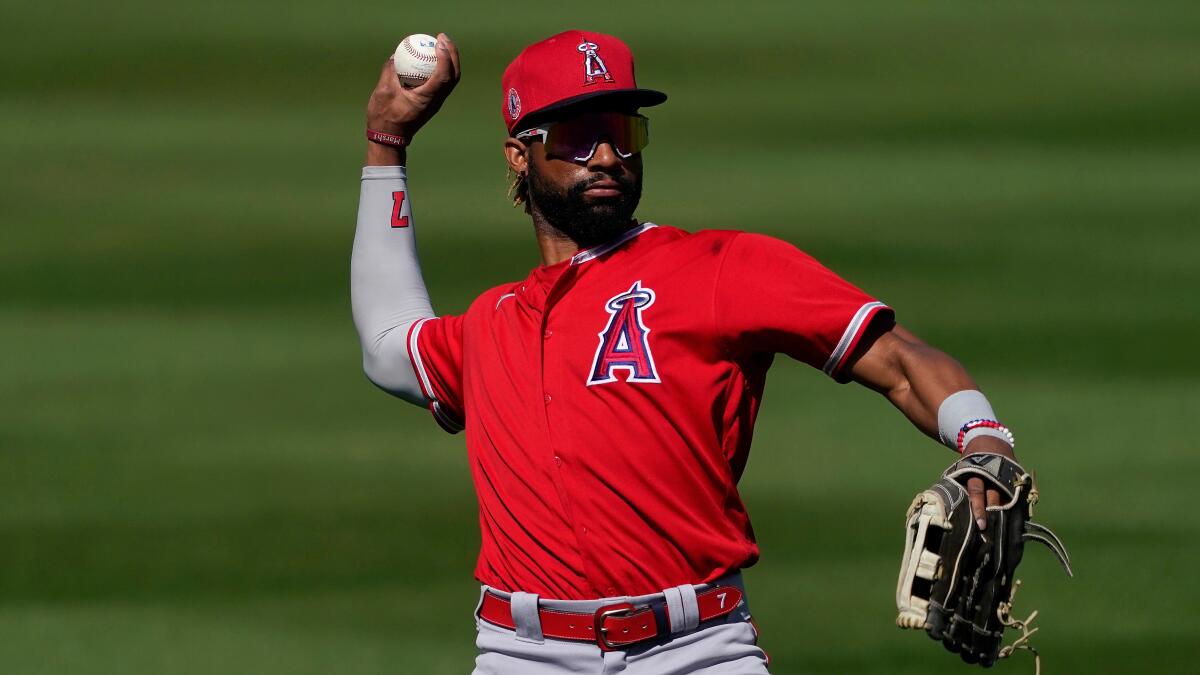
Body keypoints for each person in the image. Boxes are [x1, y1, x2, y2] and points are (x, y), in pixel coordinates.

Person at [352, 30, 1021, 674]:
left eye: (624, 133)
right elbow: (388, 347)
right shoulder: (492, 321)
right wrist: (387, 140)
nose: (609, 156)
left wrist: (983, 438)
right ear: (518, 156)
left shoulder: (721, 267)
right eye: (579, 136)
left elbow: (900, 360)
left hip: (695, 650)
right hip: (520, 653)